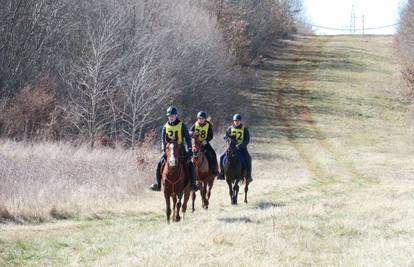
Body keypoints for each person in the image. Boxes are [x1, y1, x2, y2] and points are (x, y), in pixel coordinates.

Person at [149, 106, 199, 192]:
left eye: (172, 116)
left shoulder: (182, 125)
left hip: (180, 149)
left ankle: (193, 184)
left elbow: (187, 138)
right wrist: (163, 149)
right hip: (169, 150)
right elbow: (162, 139)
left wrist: (190, 149)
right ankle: (158, 184)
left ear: (176, 115)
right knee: (159, 164)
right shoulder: (165, 126)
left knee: (190, 165)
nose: (170, 117)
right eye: (169, 116)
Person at [218, 114, 253, 183]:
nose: (236, 122)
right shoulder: (230, 128)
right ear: (233, 121)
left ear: (240, 121)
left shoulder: (244, 129)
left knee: (248, 158)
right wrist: (228, 140)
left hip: (242, 148)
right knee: (222, 157)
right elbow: (225, 136)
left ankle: (248, 176)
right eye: (235, 121)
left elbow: (247, 140)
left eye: (238, 121)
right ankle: (222, 173)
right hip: (231, 148)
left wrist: (240, 145)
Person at [190, 111, 219, 176]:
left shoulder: (208, 126)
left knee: (213, 153)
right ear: (197, 119)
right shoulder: (195, 124)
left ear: (205, 119)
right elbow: (190, 131)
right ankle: (188, 171)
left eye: (202, 119)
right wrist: (192, 133)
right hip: (196, 144)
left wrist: (205, 141)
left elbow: (211, 136)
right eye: (199, 118)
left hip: (204, 143)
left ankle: (214, 169)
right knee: (188, 153)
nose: (201, 120)